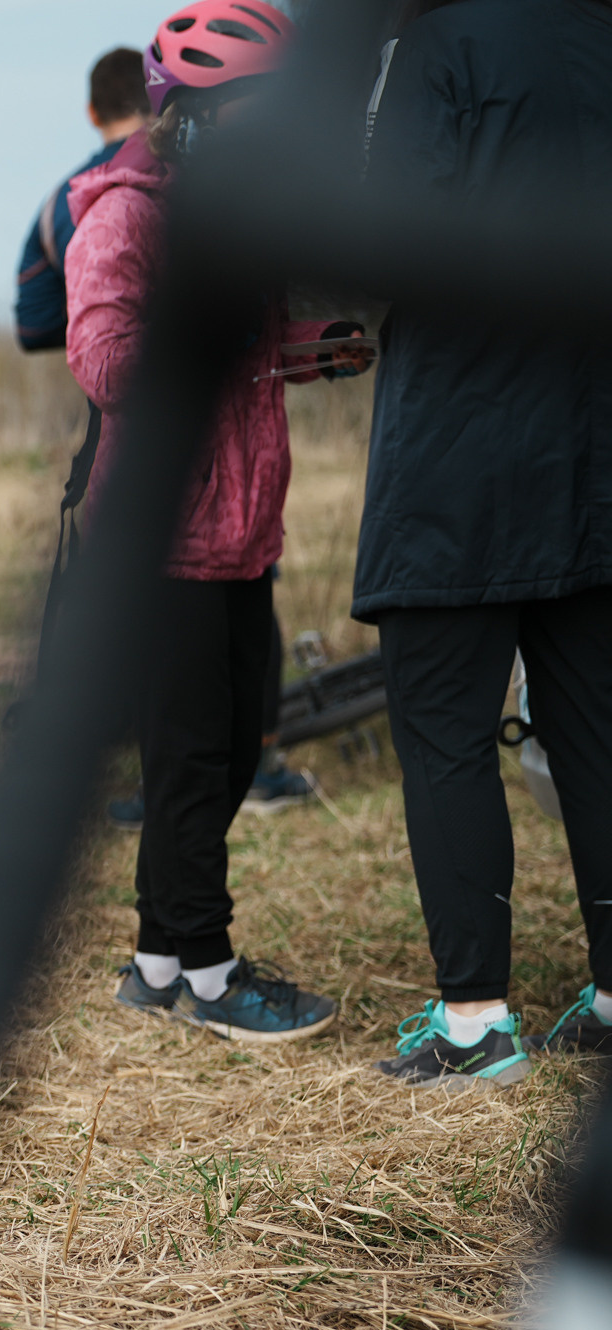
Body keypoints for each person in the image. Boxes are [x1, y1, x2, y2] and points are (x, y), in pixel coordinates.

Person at [69, 0, 363, 1041]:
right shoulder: (128, 212)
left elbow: (246, 349)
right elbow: (106, 361)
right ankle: (207, 974)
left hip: (245, 536)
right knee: (192, 761)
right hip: (167, 540)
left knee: (236, 749)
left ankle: (155, 960)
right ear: (184, 116)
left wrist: (309, 343)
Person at [356, 0, 612, 1088]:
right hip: (593, 445)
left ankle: (474, 1023)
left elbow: (389, 235)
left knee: (446, 735)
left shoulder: (435, 46)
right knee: (597, 730)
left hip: (460, 449)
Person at [15, 48, 150, 354]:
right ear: (157, 104)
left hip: (116, 388)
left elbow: (33, 326)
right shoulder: (197, 176)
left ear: (91, 113)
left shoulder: (60, 203)